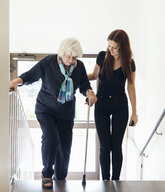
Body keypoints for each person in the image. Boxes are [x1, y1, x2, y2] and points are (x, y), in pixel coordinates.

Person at [9, 37, 97, 189]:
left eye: (74, 57)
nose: (70, 60)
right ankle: (47, 174)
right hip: (45, 108)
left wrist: (89, 93)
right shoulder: (48, 62)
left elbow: (84, 85)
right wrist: (14, 82)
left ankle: (61, 177)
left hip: (66, 112)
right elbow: (30, 76)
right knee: (51, 136)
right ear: (61, 52)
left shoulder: (79, 66)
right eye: (68, 56)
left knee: (64, 146)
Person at [88, 29, 138, 181]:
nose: (111, 49)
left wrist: (134, 112)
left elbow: (131, 86)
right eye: (109, 46)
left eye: (115, 47)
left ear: (123, 47)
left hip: (119, 105)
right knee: (104, 147)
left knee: (116, 146)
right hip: (101, 103)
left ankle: (115, 181)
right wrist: (78, 78)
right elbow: (94, 75)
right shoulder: (102, 56)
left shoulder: (129, 63)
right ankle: (105, 181)